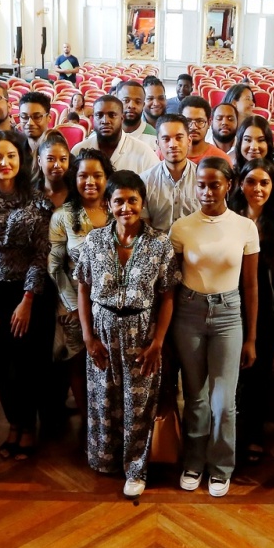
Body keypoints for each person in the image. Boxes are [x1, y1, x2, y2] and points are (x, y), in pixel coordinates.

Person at [75, 171, 177, 497]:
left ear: (142, 203)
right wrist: (88, 337)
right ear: (108, 203)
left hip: (141, 334)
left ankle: (136, 468)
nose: (125, 207)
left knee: (139, 403)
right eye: (118, 200)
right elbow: (82, 287)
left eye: (132, 200)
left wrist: (158, 342)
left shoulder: (160, 243)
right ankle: (106, 461)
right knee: (104, 399)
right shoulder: (94, 241)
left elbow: (168, 295)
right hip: (102, 332)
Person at [170, 157, 259, 495]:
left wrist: (251, 336)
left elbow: (250, 287)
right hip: (189, 313)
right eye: (202, 185)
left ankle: (221, 465)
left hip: (228, 313)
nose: (207, 191)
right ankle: (193, 462)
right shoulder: (182, 227)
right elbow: (172, 282)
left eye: (214, 184)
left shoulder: (245, 227)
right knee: (195, 397)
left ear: (229, 185)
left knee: (224, 400)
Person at [0, 130, 54, 459]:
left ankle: (29, 427)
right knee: (1, 365)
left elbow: (40, 254)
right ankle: (13, 424)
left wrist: (28, 300)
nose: (4, 163)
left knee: (27, 365)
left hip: (29, 294)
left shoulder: (37, 201)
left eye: (11, 156)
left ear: (21, 160)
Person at [230, 160, 274, 465]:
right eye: (251, 181)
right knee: (228, 376)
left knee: (257, 376)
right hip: (228, 304)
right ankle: (225, 435)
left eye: (265, 183)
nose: (258, 189)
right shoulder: (227, 220)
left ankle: (253, 435)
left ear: (273, 188)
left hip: (264, 309)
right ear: (240, 184)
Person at [50, 148, 113, 422]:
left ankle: (109, 420)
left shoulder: (119, 207)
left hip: (114, 305)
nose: (90, 181)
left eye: (97, 175)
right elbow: (54, 265)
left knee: (109, 362)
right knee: (78, 362)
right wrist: (74, 305)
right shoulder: (63, 215)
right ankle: (89, 423)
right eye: (83, 175)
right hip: (73, 304)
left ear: (107, 177)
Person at [141, 114, 196, 233]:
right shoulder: (145, 181)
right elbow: (144, 227)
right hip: (157, 248)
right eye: (166, 139)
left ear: (189, 140)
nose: (173, 145)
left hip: (197, 248)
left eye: (179, 138)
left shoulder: (203, 179)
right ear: (158, 143)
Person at [75, 93, 158, 173]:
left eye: (112, 115)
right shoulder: (78, 151)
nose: (105, 121)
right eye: (99, 115)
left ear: (122, 118)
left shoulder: (144, 153)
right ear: (93, 118)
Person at [180, 96, 229, 162]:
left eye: (200, 121)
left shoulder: (221, 159)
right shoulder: (165, 155)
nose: (193, 127)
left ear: (209, 123)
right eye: (188, 121)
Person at [36, 130, 73, 211]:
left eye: (63, 159)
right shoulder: (31, 196)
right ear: (39, 161)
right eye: (50, 159)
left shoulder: (77, 194)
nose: (57, 165)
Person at [18, 91, 54, 160]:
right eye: (24, 117)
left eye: (37, 117)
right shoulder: (15, 150)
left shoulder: (59, 151)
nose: (29, 123)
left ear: (49, 118)